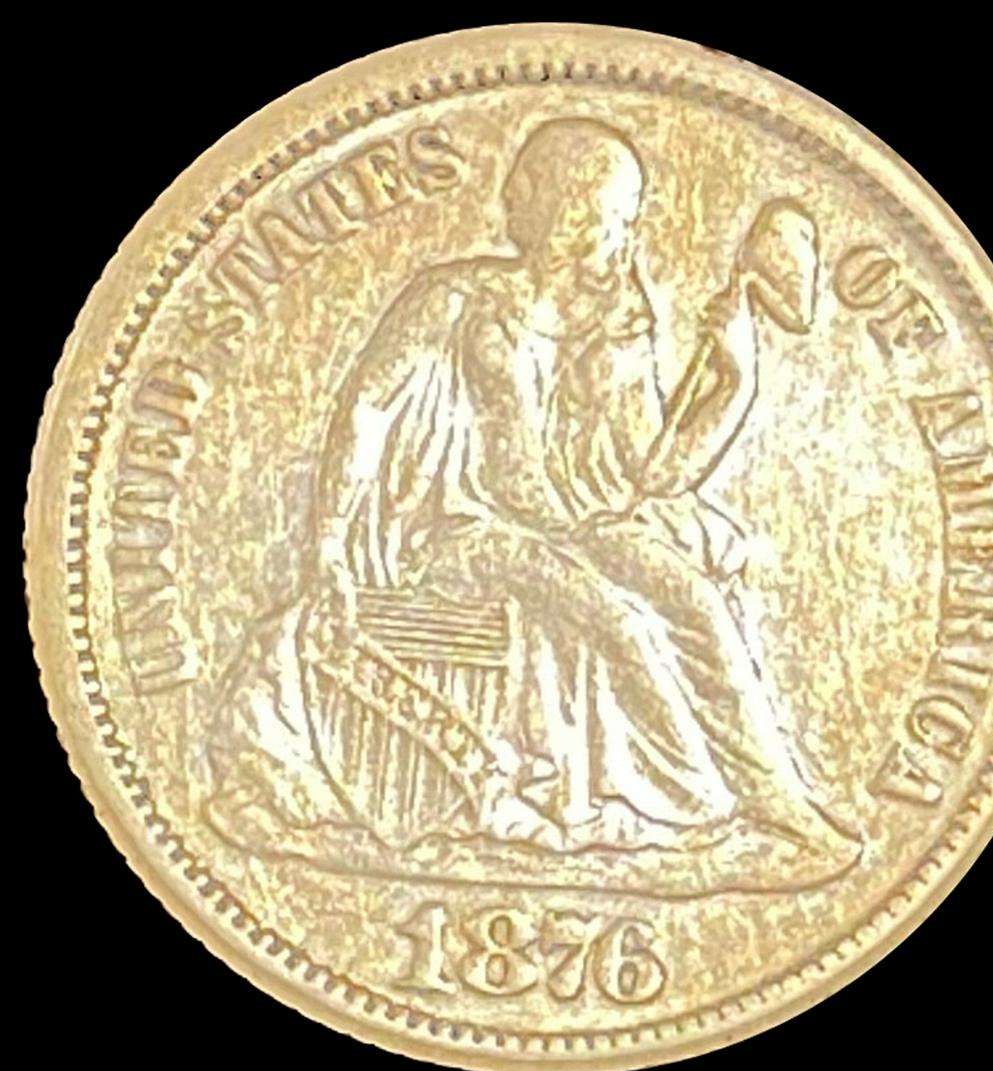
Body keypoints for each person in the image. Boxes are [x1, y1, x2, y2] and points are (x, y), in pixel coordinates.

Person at [203, 118, 859, 881]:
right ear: (572, 210)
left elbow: (655, 472)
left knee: (695, 603)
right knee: (616, 620)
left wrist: (733, 383)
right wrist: (329, 543)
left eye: (632, 214)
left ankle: (778, 804)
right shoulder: (454, 299)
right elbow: (366, 412)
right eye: (620, 213)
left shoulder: (620, 317)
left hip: (579, 520)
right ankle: (694, 815)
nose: (630, 232)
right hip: (464, 529)